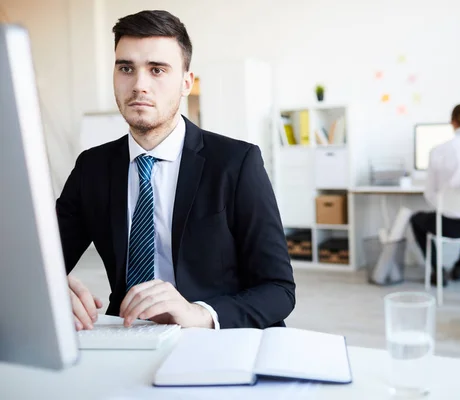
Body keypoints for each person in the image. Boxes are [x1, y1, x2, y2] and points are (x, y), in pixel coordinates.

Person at [56, 10, 295, 331]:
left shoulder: (237, 162)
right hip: (129, 330)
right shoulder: (92, 167)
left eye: (157, 70)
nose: (140, 85)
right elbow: (44, 260)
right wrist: (50, 287)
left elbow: (279, 289)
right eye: (126, 68)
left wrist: (201, 314)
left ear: (186, 82)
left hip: (217, 335)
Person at [409, 104, 460, 287]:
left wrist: (446, 206)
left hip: (446, 225)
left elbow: (429, 193)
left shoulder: (438, 151)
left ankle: (437, 271)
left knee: (416, 219)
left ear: (453, 123)